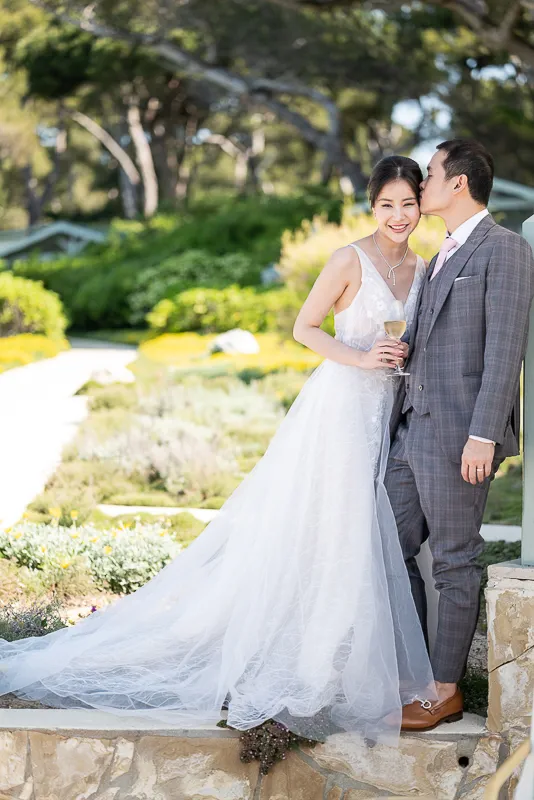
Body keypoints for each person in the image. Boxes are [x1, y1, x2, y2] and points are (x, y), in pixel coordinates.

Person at [0, 156, 435, 744]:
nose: (399, 215)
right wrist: (360, 356)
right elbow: (304, 328)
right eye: (387, 204)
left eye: (408, 203)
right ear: (371, 206)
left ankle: (342, 656)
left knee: (368, 532)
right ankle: (317, 667)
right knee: (336, 529)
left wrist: (399, 356)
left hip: (391, 411)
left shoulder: (425, 267)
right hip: (342, 408)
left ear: (421, 204)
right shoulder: (346, 260)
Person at [386, 139, 534, 731]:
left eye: (429, 175)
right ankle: (413, 675)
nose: (420, 186)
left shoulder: (506, 251)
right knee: (383, 547)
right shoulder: (439, 252)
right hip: (410, 431)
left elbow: (504, 352)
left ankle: (444, 691)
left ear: (458, 185)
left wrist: (483, 436)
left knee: (453, 561)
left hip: (458, 438)